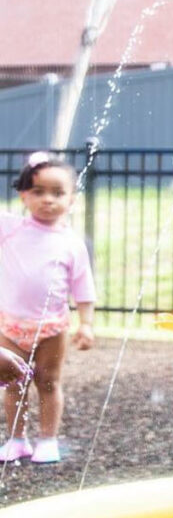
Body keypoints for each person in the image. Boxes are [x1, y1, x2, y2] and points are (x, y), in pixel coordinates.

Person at [0, 152, 97, 464]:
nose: (48, 200)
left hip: (52, 327)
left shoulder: (71, 243)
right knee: (13, 384)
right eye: (38, 191)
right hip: (10, 325)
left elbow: (83, 287)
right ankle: (16, 439)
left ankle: (47, 439)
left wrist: (86, 324)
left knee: (49, 382)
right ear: (23, 194)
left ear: (71, 199)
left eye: (58, 193)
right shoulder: (9, 229)